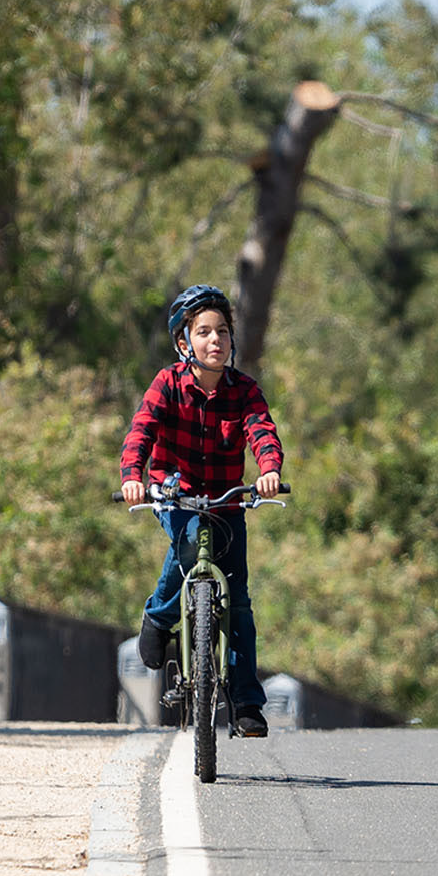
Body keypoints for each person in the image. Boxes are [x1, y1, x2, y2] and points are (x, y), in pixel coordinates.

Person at [122, 283, 285, 736]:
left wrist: (269, 469)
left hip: (227, 500)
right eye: (204, 332)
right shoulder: (167, 384)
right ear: (184, 342)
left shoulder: (244, 390)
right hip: (176, 495)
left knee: (241, 604)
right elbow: (141, 432)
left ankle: (247, 704)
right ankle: (160, 615)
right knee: (190, 539)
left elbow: (263, 433)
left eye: (223, 332)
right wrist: (133, 477)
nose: (216, 341)